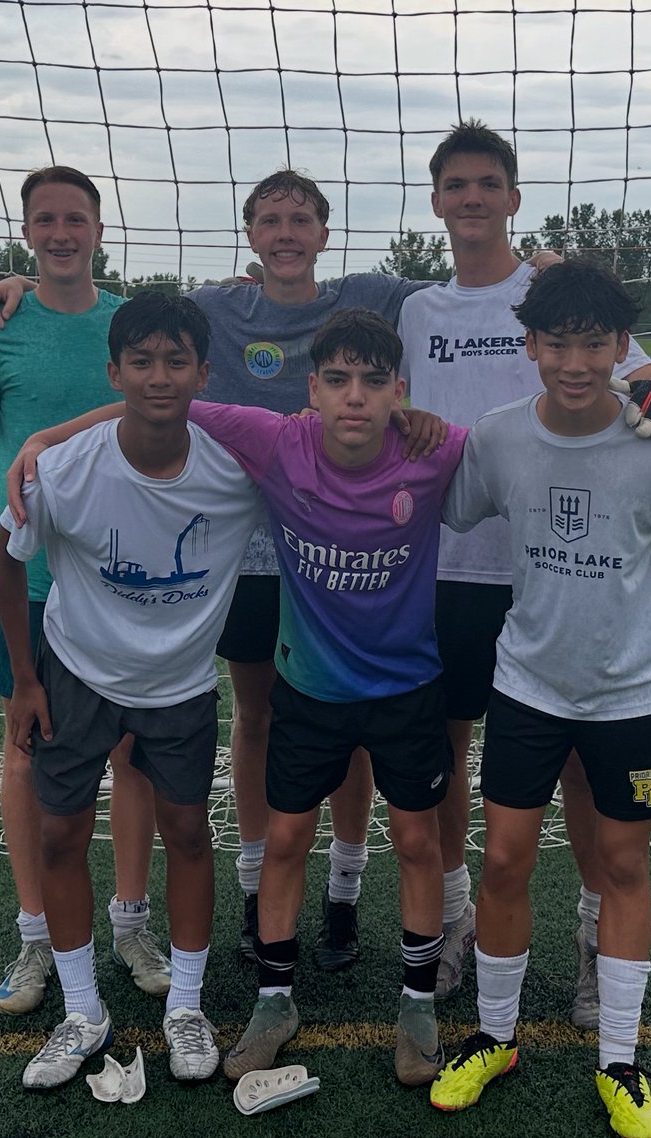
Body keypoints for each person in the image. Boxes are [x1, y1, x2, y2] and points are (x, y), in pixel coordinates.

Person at [0, 170, 436, 971]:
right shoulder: (214, 306)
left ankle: (345, 887)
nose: (286, 234)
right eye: (270, 221)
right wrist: (41, 407)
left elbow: (475, 291)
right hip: (240, 557)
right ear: (249, 235)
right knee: (254, 717)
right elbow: (149, 377)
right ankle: (251, 886)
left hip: (327, 556)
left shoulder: (372, 296)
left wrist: (539, 265)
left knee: (350, 722)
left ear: (325, 233)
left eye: (301, 220)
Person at [396, 120, 651, 1018]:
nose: (472, 198)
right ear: (436, 201)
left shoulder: (554, 293)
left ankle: (596, 933)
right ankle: (458, 918)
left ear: (513, 198)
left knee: (578, 764)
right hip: (456, 567)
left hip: (562, 583)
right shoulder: (416, 309)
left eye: (488, 183)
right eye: (457, 185)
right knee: (449, 757)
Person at [431, 259, 651, 1138]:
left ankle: (619, 1059)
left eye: (594, 344)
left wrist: (642, 644)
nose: (576, 363)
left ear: (623, 347)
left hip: (631, 695)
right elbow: (453, 509)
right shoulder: (499, 437)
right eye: (558, 344)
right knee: (505, 862)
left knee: (622, 866)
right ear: (530, 347)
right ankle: (495, 1037)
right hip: (528, 686)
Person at [0, 290, 264, 1088]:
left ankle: (186, 1005)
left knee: (188, 832)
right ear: (114, 372)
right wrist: (26, 680)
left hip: (180, 686)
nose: (158, 377)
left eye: (176, 361)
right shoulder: (67, 468)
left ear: (204, 374)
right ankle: (84, 1011)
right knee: (60, 835)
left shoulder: (238, 470)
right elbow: (7, 558)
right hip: (78, 674)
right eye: (141, 362)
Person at [190, 309, 464, 1088]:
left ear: (399, 393)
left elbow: (536, 434)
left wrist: (647, 391)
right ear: (311, 389)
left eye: (374, 382)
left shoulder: (437, 450)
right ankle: (274, 1003)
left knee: (417, 841)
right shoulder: (277, 440)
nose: (355, 396)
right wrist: (44, 441)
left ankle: (417, 1005)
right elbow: (157, 402)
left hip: (408, 687)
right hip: (308, 688)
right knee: (284, 839)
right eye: (338, 380)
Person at [0, 165, 171, 1017]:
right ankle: (36, 934)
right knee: (27, 748)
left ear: (99, 229)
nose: (60, 233)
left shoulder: (132, 324)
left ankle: (131, 923)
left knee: (132, 753)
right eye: (44, 219)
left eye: (75, 218)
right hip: (36, 586)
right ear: (27, 232)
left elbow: (161, 406)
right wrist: (8, 538)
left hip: (125, 580)